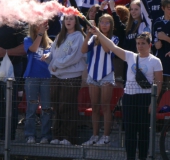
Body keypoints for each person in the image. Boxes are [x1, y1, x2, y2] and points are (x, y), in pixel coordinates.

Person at [88, 29, 162, 160]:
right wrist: (98, 34)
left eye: (143, 43)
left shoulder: (155, 61)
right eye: (138, 43)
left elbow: (159, 83)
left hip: (145, 98)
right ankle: (130, 157)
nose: (140, 46)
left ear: (149, 45)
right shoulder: (130, 56)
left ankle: (143, 157)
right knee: (130, 131)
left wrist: (154, 101)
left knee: (144, 131)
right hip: (129, 97)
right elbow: (112, 46)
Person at [42, 15, 87, 145]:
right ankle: (57, 136)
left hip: (71, 76)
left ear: (76, 21)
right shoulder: (59, 36)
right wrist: (48, 57)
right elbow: (54, 52)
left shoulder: (79, 36)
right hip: (56, 76)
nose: (68, 21)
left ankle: (68, 137)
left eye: (71, 19)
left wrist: (56, 64)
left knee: (68, 106)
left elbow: (74, 56)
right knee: (56, 106)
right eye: (66, 19)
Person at [81, 14, 119, 146]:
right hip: (93, 75)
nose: (104, 25)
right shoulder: (93, 37)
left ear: (111, 25)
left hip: (107, 74)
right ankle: (95, 135)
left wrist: (97, 33)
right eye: (101, 22)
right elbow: (83, 50)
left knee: (105, 106)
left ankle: (106, 136)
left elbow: (107, 49)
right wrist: (87, 34)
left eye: (107, 22)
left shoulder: (114, 38)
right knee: (95, 107)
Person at [0, 22, 27, 141]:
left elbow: (24, 48)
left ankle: (9, 134)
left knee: (10, 102)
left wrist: (6, 52)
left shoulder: (18, 26)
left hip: (11, 68)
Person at [23, 22, 52, 144]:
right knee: (32, 108)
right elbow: (33, 49)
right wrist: (40, 34)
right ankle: (30, 135)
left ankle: (46, 135)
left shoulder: (50, 43)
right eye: (37, 24)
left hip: (47, 78)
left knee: (46, 108)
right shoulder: (28, 39)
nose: (39, 26)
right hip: (31, 78)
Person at [153, 0, 170, 97]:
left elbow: (163, 37)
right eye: (169, 8)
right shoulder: (157, 22)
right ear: (163, 8)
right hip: (160, 60)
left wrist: (166, 38)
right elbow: (153, 39)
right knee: (159, 88)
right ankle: (157, 110)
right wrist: (155, 44)